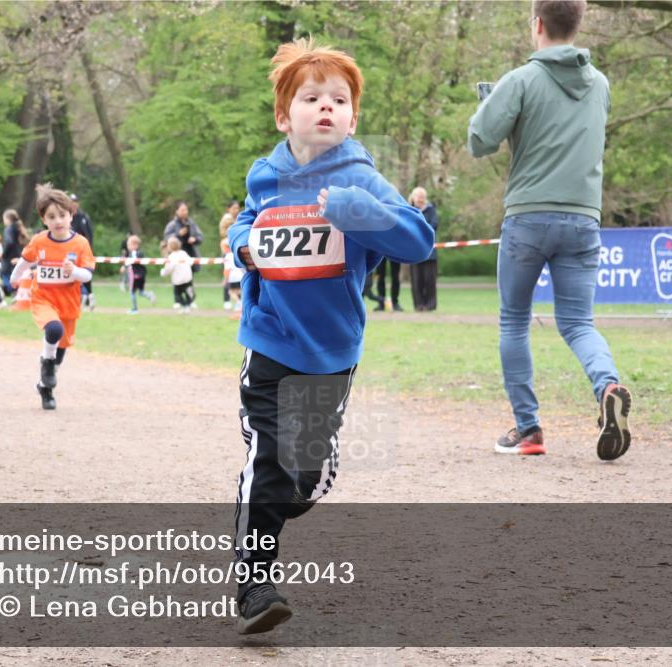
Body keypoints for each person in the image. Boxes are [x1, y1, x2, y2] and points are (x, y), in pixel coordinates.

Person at [227, 37, 433, 634]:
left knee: (304, 476)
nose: (326, 108)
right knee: (267, 460)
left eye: (338, 100)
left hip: (332, 348)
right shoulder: (265, 173)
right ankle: (254, 585)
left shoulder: (361, 179)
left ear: (352, 116)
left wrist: (357, 211)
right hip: (269, 338)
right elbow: (249, 218)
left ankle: (302, 479)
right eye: (311, 97)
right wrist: (243, 243)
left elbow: (417, 242)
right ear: (282, 114)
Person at [468, 0, 632, 460]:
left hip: (528, 216)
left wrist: (491, 102)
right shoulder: (600, 85)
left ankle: (529, 429)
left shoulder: (520, 80)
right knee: (579, 322)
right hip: (584, 219)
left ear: (537, 24)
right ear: (578, 24)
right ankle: (608, 386)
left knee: (514, 320)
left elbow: (480, 141)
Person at [10, 184, 95, 410]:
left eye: (62, 215)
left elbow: (87, 275)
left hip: (68, 302)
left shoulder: (80, 243)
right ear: (43, 220)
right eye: (51, 217)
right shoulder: (40, 241)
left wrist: (73, 272)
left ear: (71, 216)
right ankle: (46, 363)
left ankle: (45, 387)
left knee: (62, 349)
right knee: (53, 330)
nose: (58, 221)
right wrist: (15, 276)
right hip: (43, 299)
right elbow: (26, 260)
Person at [408, 187, 439, 311]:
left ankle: (430, 305)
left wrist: (421, 231)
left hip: (430, 251)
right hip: (414, 251)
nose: (420, 199)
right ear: (413, 198)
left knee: (430, 279)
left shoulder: (431, 210)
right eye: (418, 196)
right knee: (416, 279)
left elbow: (434, 225)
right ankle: (419, 305)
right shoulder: (409, 210)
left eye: (422, 197)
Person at [163, 202, 204, 282]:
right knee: (178, 280)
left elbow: (200, 237)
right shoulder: (172, 225)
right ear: (177, 211)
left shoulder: (192, 224)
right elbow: (166, 238)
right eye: (182, 210)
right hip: (177, 256)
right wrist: (178, 234)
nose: (184, 212)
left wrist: (195, 239)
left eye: (186, 210)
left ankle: (190, 294)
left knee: (189, 280)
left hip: (191, 254)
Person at [69, 194, 96, 311]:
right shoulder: (66, 218)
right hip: (70, 252)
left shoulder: (83, 217)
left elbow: (89, 235)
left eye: (75, 201)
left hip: (82, 250)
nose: (73, 204)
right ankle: (76, 299)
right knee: (72, 276)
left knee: (85, 273)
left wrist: (88, 250)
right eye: (71, 202)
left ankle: (89, 297)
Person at [121, 234, 156, 313]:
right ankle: (150, 295)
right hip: (142, 275)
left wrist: (125, 266)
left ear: (135, 245)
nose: (128, 247)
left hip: (136, 275)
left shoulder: (134, 253)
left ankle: (134, 309)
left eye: (129, 245)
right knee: (141, 291)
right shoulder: (139, 253)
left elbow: (131, 261)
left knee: (132, 291)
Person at [160, 236, 195, 313]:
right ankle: (188, 304)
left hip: (178, 280)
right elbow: (191, 262)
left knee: (178, 295)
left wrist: (163, 272)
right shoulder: (184, 253)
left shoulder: (171, 257)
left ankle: (185, 305)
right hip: (187, 278)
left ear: (169, 247)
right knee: (188, 293)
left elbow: (168, 269)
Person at [0, 209, 29, 296]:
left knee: (4, 273)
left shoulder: (9, 228)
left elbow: (9, 242)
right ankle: (17, 290)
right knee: (15, 273)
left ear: (8, 218)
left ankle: (14, 290)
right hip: (18, 254)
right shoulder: (18, 227)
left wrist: (4, 254)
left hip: (9, 256)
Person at [219, 200, 241, 308]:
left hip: (237, 248)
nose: (236, 210)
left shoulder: (240, 217)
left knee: (239, 275)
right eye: (234, 208)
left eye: (237, 208)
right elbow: (223, 233)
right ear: (229, 209)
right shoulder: (226, 219)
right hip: (228, 249)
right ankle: (227, 300)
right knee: (228, 274)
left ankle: (239, 301)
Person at [221, 238, 244, 313]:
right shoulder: (236, 254)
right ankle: (240, 304)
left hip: (233, 276)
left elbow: (227, 269)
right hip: (240, 275)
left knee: (231, 292)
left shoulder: (228, 256)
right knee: (238, 291)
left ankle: (239, 303)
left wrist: (225, 279)